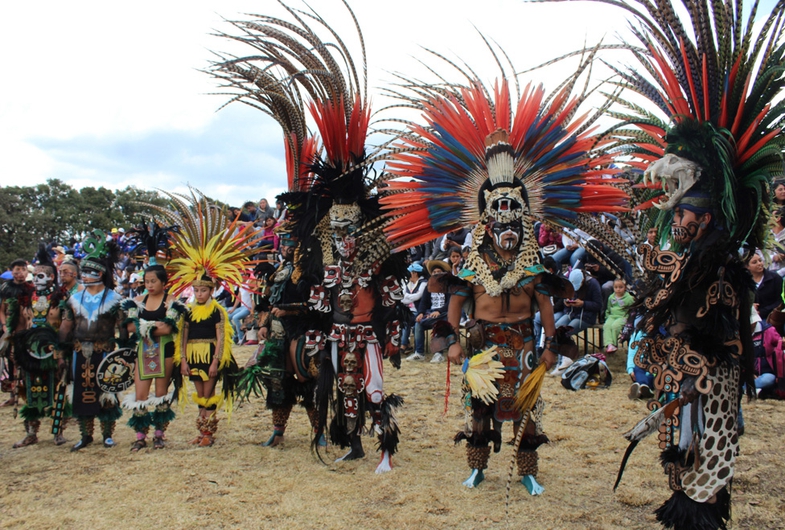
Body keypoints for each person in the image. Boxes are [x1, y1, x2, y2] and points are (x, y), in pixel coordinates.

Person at [599, 1, 782, 524]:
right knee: (677, 461)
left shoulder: (720, 267)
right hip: (679, 377)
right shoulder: (690, 261)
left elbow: (720, 337)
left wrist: (686, 366)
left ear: (710, 214)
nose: (676, 220)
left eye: (686, 212)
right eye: (675, 211)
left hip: (704, 381)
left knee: (702, 469)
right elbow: (658, 296)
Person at [146, 187, 252, 447]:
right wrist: (181, 360)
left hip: (210, 356)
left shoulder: (217, 310)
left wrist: (217, 360)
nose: (199, 292)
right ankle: (201, 430)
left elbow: (221, 336)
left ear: (212, 289)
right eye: (196, 289)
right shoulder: (188, 309)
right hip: (192, 356)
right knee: (198, 392)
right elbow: (182, 333)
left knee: (209, 393)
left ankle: (209, 433)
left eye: (203, 289)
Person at [57, 231, 125, 451]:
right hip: (79, 351)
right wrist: (60, 350)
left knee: (107, 391)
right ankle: (85, 435)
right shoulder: (74, 299)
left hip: (105, 350)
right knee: (80, 392)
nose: (84, 275)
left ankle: (107, 434)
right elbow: (66, 325)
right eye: (83, 271)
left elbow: (124, 327)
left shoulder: (115, 299)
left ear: (101, 272)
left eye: (89, 271)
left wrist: (125, 352)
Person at [121, 265, 186, 451]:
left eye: (153, 281)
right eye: (147, 281)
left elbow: (167, 328)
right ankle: (140, 435)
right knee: (140, 394)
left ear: (163, 282)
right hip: (143, 351)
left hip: (165, 350)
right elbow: (130, 328)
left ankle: (159, 434)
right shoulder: (137, 301)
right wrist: (155, 324)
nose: (149, 285)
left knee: (161, 393)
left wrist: (144, 325)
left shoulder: (172, 301)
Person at [12, 247, 69, 447]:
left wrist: (61, 354)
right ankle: (31, 432)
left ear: (52, 277)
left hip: (52, 351)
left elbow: (65, 328)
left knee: (57, 390)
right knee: (29, 390)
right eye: (34, 275)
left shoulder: (60, 298)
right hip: (29, 351)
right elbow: (20, 324)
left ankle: (58, 431)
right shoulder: (26, 298)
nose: (36, 278)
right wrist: (16, 351)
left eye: (41, 275)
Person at [0, 258, 34, 407]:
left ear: (27, 272)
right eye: (17, 269)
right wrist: (4, 325)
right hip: (11, 329)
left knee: (27, 363)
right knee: (11, 362)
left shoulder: (32, 289)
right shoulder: (5, 288)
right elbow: (1, 309)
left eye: (22, 269)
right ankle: (13, 396)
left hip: (27, 330)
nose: (19, 272)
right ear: (12, 271)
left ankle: (29, 394)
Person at [406, 260, 451, 363]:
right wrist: (421, 313)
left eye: (439, 271)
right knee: (418, 324)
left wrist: (439, 311)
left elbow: (450, 303)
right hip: (430, 313)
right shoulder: (429, 286)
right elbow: (424, 302)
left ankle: (438, 353)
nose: (436, 274)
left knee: (439, 324)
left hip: (444, 313)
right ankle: (419, 353)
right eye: (434, 272)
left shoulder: (448, 286)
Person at [748, 251, 783, 321]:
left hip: (770, 317)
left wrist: (762, 312)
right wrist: (750, 307)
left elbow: (780, 301)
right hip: (751, 317)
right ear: (747, 266)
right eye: (754, 262)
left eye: (760, 260)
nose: (759, 264)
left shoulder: (775, 278)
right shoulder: (744, 281)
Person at [400, 262, 427, 354]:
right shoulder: (407, 283)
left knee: (411, 320)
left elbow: (418, 296)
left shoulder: (423, 283)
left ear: (415, 273)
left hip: (419, 311)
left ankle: (405, 345)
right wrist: (410, 297)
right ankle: (405, 344)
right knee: (404, 319)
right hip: (408, 310)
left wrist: (407, 296)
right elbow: (402, 298)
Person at [603, 278, 634, 354]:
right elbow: (608, 308)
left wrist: (629, 318)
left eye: (621, 287)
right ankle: (609, 344)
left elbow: (633, 308)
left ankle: (614, 344)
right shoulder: (611, 297)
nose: (618, 289)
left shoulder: (629, 298)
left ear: (625, 288)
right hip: (612, 316)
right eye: (616, 287)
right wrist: (607, 317)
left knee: (615, 326)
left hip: (622, 317)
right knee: (606, 326)